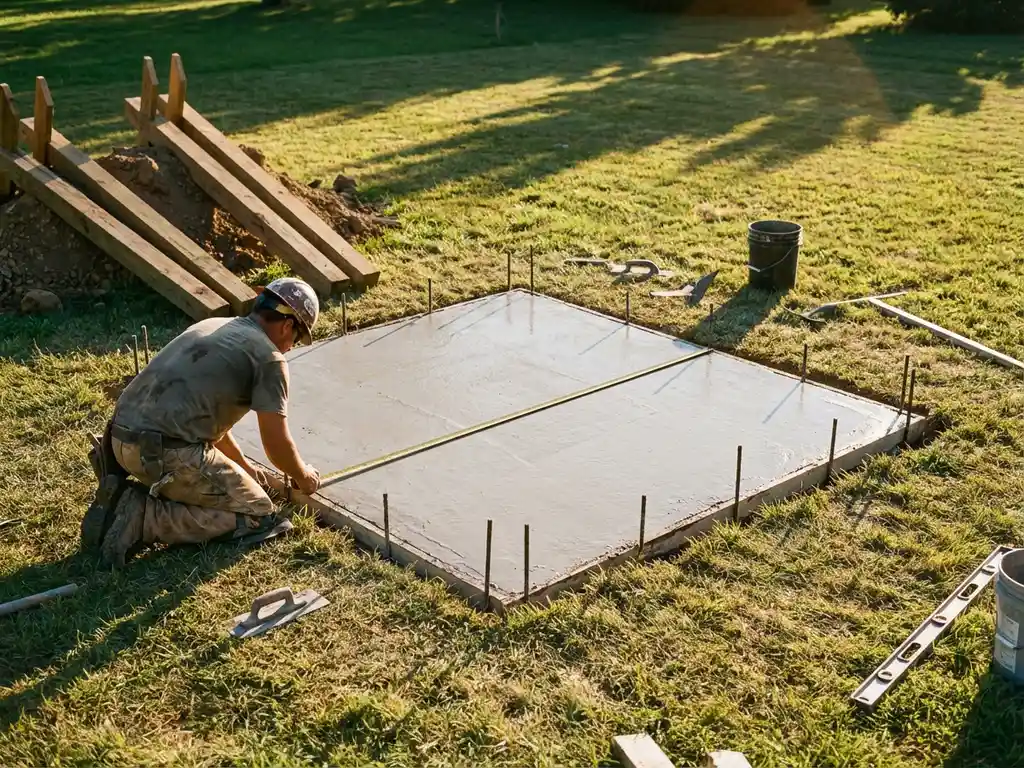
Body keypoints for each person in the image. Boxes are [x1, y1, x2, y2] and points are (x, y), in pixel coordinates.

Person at [82, 277, 323, 568]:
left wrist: (244, 468)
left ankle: (124, 495)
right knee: (258, 513)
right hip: (163, 454)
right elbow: (276, 443)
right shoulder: (268, 358)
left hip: (119, 443)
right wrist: (303, 476)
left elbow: (212, 428)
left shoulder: (213, 325)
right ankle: (143, 517)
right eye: (296, 340)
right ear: (287, 326)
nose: (289, 348)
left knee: (229, 486)